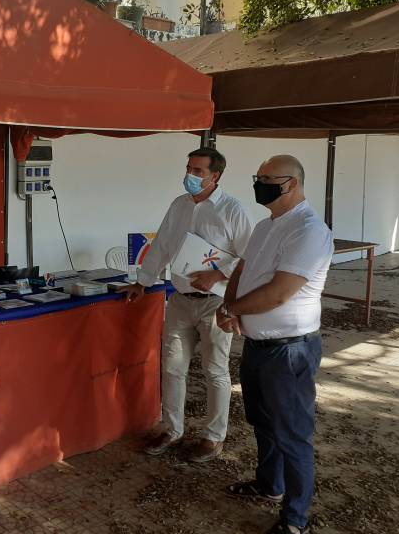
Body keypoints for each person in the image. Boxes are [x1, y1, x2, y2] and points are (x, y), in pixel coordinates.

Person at [218, 155, 333, 534]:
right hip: (258, 345)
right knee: (262, 423)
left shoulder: (309, 230)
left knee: (293, 434)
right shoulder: (266, 226)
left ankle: (295, 518)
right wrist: (228, 306)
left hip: (289, 351)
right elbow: (241, 269)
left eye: (268, 179)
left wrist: (233, 307)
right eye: (258, 177)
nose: (259, 184)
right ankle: (270, 485)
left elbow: (280, 292)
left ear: (293, 184)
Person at [125, 147, 252, 462]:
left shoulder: (232, 210)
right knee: (172, 367)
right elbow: (162, 245)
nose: (190, 176)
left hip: (216, 303)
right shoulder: (180, 205)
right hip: (180, 299)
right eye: (189, 169)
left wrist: (217, 275)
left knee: (215, 371)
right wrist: (143, 280)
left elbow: (250, 256)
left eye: (198, 171)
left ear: (215, 176)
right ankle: (172, 428)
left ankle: (213, 437)